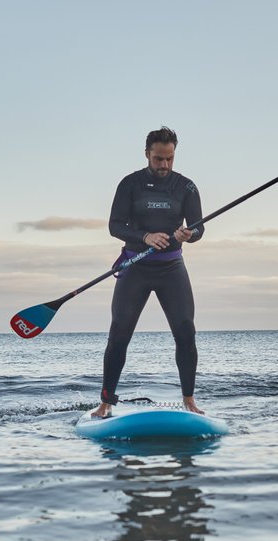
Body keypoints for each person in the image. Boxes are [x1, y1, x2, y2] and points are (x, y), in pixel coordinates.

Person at [92, 126, 205, 418]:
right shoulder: (130, 184)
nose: (164, 165)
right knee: (119, 334)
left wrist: (187, 235)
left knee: (185, 332)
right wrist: (145, 237)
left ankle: (189, 400)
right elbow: (115, 225)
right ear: (147, 155)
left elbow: (199, 228)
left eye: (169, 159)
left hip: (171, 268)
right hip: (135, 267)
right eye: (158, 159)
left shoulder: (187, 187)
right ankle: (105, 403)